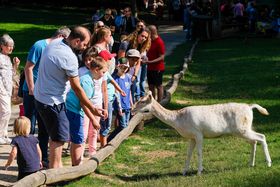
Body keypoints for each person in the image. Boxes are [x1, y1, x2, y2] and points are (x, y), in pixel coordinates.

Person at [34, 26, 104, 168]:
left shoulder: (55, 42)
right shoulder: (69, 57)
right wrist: (93, 109)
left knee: (54, 137)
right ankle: (55, 175)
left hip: (40, 97)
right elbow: (77, 88)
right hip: (53, 102)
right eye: (84, 44)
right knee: (58, 140)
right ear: (77, 41)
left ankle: (55, 170)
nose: (85, 48)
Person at [23, 26, 71, 167]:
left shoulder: (58, 50)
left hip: (46, 94)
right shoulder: (40, 45)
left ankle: (43, 158)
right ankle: (27, 159)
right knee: (29, 127)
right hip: (32, 92)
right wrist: (32, 89)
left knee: (44, 128)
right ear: (61, 36)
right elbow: (28, 68)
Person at [66, 56, 107, 165]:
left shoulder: (88, 78)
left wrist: (96, 109)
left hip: (75, 110)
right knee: (78, 140)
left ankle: (75, 164)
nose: (104, 75)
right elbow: (83, 103)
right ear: (96, 70)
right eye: (103, 72)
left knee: (77, 139)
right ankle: (76, 166)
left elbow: (86, 102)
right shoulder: (87, 82)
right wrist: (93, 119)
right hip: (74, 111)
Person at [118, 28, 151, 102]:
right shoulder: (126, 43)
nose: (144, 39)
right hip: (123, 71)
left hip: (132, 72)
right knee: (123, 92)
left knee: (132, 92)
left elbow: (138, 62)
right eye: (142, 36)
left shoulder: (141, 46)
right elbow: (121, 60)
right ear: (137, 35)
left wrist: (134, 75)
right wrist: (125, 74)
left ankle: (130, 110)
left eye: (146, 37)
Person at [0, 34, 20, 144]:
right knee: (6, 112)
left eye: (12, 46)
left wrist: (15, 65)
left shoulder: (7, 58)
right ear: (2, 46)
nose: (11, 48)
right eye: (9, 46)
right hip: (2, 89)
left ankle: (4, 134)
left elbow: (11, 75)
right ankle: (1, 134)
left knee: (4, 112)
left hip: (7, 90)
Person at [108, 57, 132, 141]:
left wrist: (131, 104)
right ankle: (110, 139)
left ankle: (120, 140)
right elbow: (116, 94)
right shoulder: (114, 79)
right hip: (120, 106)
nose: (124, 69)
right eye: (122, 67)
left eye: (126, 68)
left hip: (127, 105)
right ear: (117, 66)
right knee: (123, 126)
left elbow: (129, 92)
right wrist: (119, 108)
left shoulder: (128, 77)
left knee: (126, 125)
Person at [145, 25, 165, 102]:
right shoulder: (150, 41)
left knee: (158, 86)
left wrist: (150, 62)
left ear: (151, 32)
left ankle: (160, 102)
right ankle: (153, 102)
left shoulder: (159, 42)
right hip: (150, 67)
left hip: (158, 68)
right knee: (151, 86)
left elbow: (162, 57)